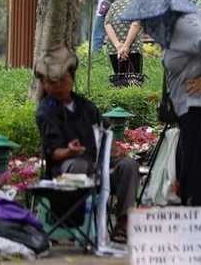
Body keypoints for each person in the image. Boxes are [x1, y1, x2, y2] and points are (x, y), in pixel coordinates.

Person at [122, 0, 201, 207]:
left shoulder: (184, 23)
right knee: (187, 159)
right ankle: (190, 207)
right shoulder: (187, 20)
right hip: (191, 103)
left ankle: (197, 214)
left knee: (196, 162)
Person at [34, 47, 140, 243]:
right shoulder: (45, 112)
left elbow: (105, 131)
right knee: (78, 165)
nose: (57, 86)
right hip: (64, 170)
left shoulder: (86, 107)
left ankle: (123, 223)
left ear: (72, 78)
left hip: (99, 165)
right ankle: (76, 223)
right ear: (45, 84)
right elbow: (52, 153)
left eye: (62, 80)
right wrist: (69, 152)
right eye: (51, 82)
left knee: (128, 166)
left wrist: (114, 148)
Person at [104, 0, 144, 79]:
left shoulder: (115, 4)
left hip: (114, 50)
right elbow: (136, 23)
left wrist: (118, 46)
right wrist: (125, 47)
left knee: (119, 81)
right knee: (134, 81)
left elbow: (107, 24)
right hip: (133, 48)